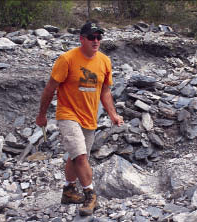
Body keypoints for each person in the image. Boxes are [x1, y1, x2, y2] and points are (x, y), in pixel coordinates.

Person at [35, 21, 124, 216]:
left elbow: (106, 91)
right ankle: (90, 194)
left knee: (77, 156)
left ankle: (68, 190)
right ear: (81, 39)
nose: (96, 40)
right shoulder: (67, 59)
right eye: (91, 37)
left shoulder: (104, 61)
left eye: (99, 37)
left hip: (89, 116)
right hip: (67, 114)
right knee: (81, 156)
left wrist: (113, 114)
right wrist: (42, 115)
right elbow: (50, 88)